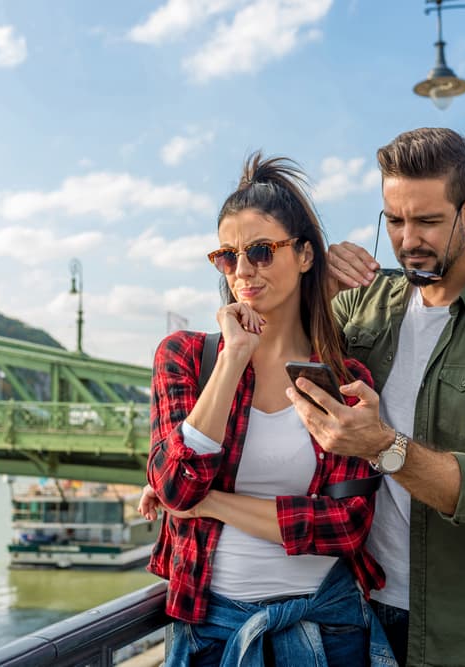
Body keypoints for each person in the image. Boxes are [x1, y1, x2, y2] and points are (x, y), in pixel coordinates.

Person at [289, 127, 465, 666]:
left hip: (454, 633)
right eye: (394, 220)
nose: (408, 239)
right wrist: (314, 288)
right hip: (347, 609)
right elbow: (272, 368)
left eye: (429, 221)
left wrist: (384, 446)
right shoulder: (363, 303)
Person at [137, 153, 395, 666]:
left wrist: (211, 505)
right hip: (209, 632)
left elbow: (344, 526)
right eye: (227, 257)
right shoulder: (186, 357)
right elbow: (175, 485)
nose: (243, 271)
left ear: (303, 255)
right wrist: (234, 358)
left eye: (260, 251)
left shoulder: (346, 381)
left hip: (327, 626)